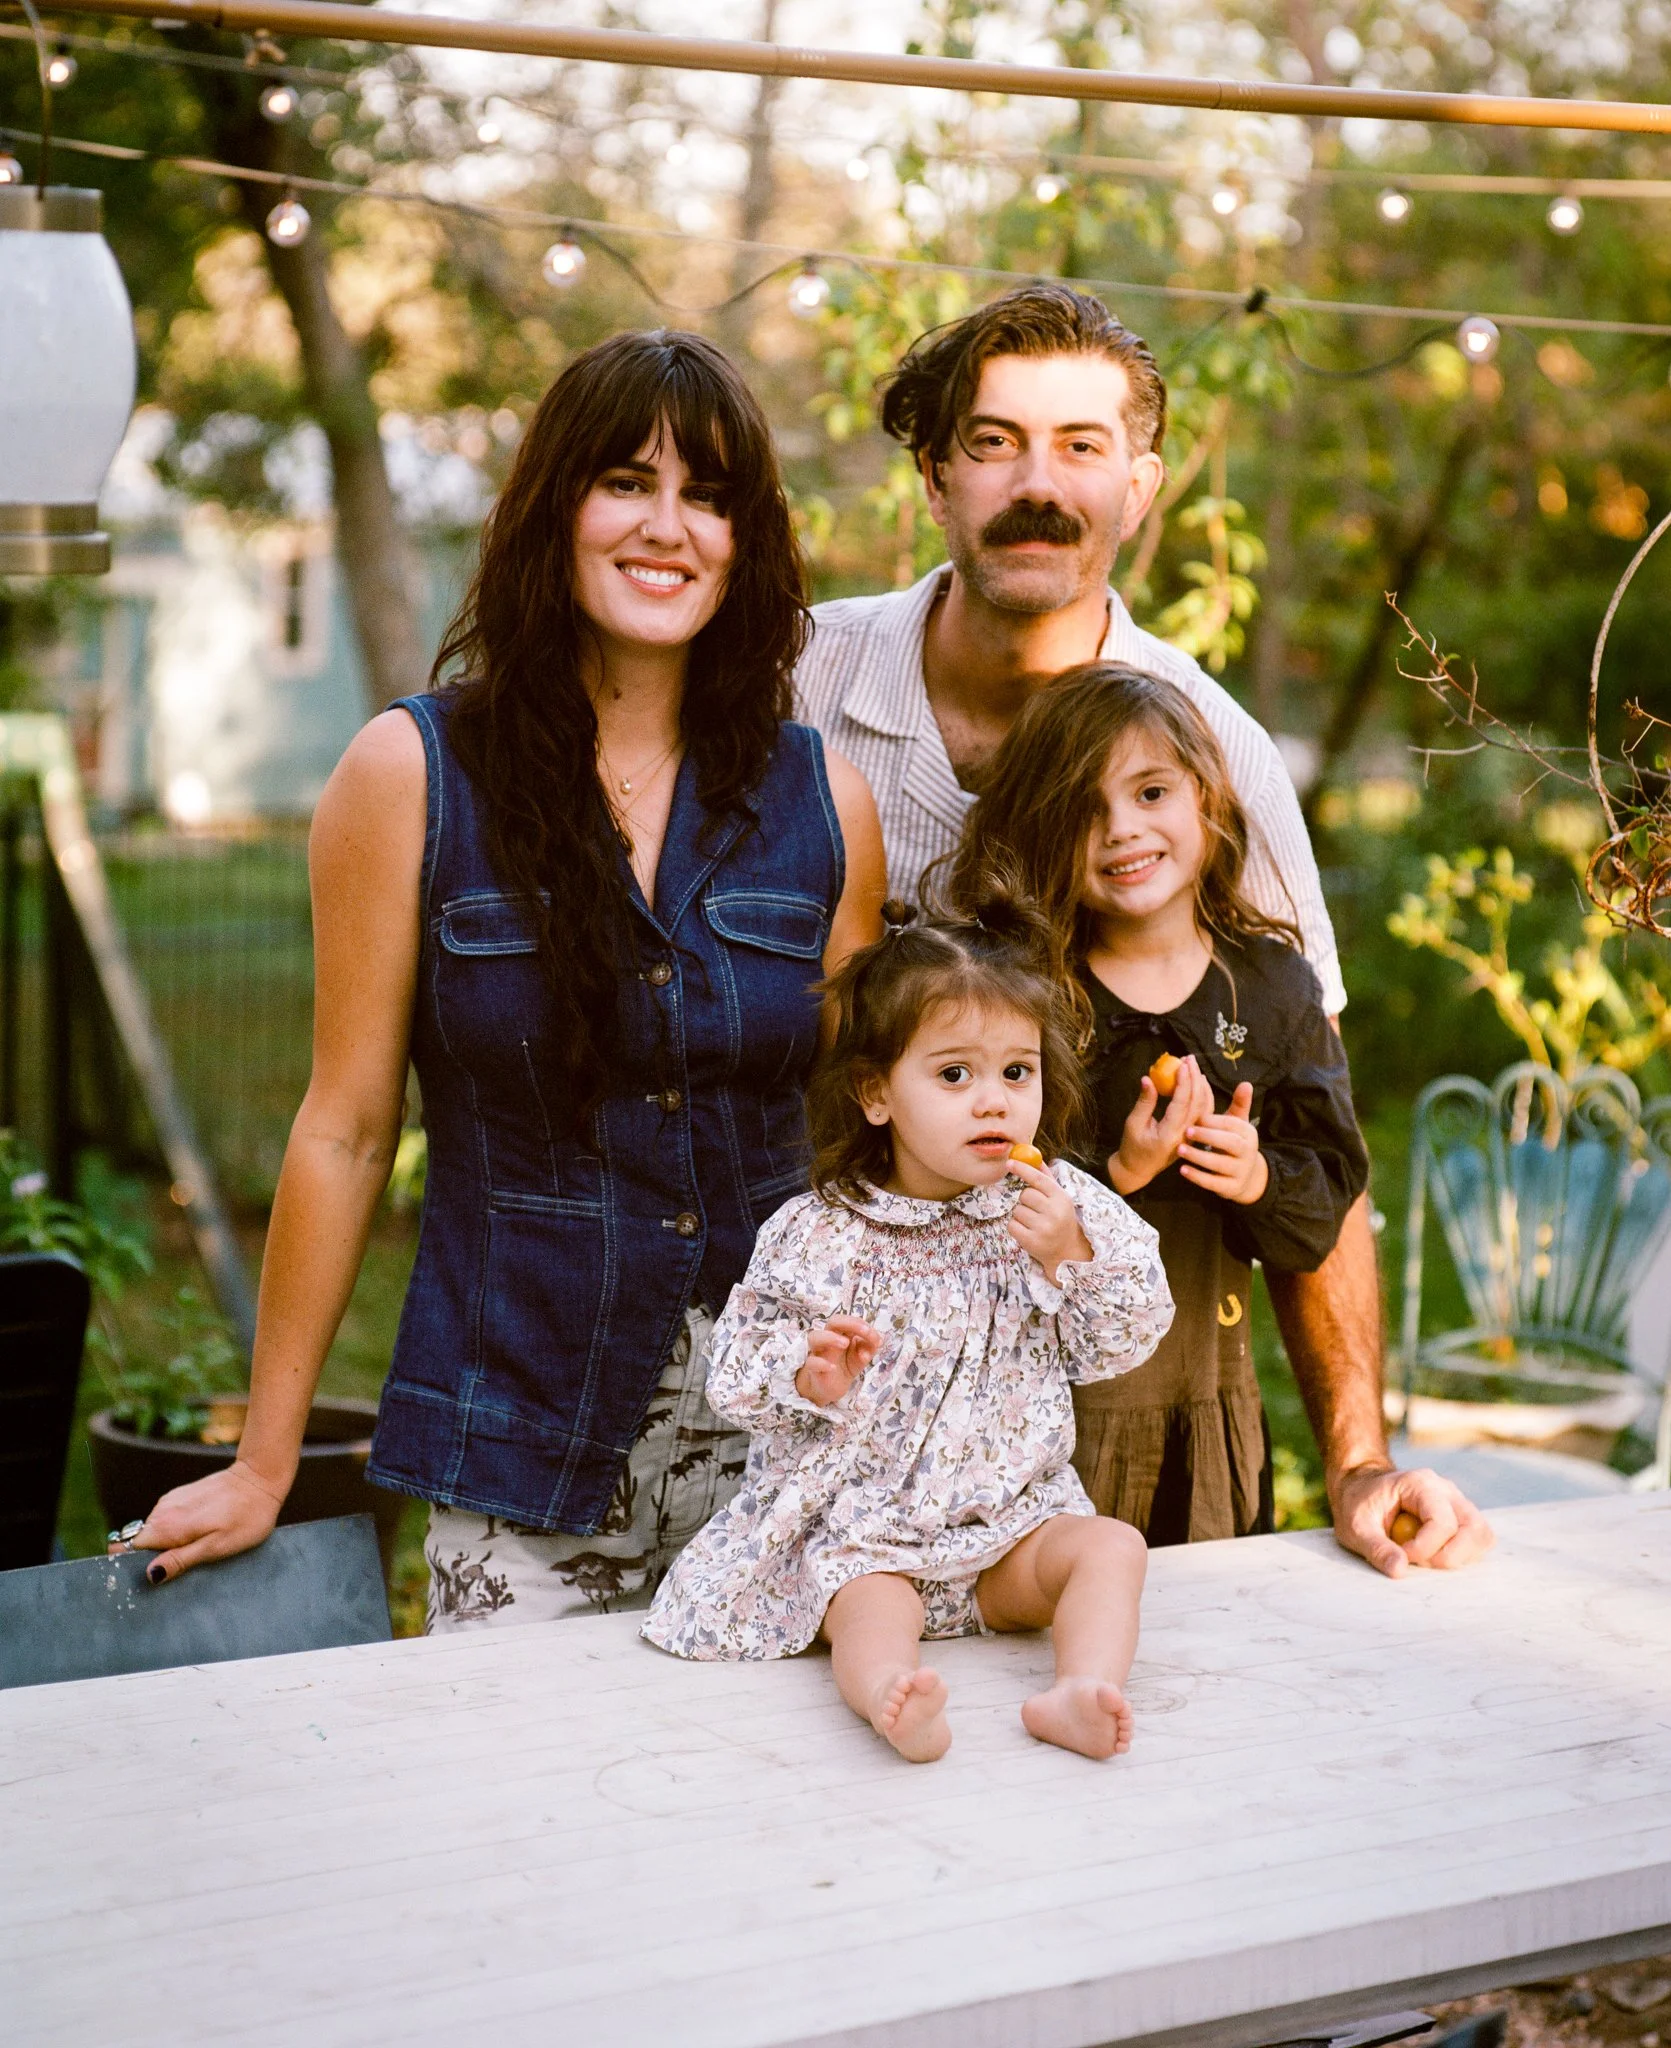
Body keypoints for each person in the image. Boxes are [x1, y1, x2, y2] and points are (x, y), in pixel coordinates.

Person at [124, 329, 886, 1621]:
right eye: (626, 483)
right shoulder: (410, 775)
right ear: (554, 508)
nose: (667, 527)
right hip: (522, 1440)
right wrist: (265, 1459)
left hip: (789, 1460)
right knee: (519, 1815)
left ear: (744, 539)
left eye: (707, 496)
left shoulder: (825, 801)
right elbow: (348, 1128)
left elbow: (860, 1140)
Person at [795, 280, 1491, 1576]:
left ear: (1140, 488)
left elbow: (1305, 1110)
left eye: (1079, 447)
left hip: (1118, 1400)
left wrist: (1352, 1458)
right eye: (994, 443)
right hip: (829, 1373)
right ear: (933, 478)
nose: (1036, 486)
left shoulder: (1213, 748)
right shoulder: (798, 691)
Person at [643, 893, 1173, 1763]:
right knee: (866, 1606)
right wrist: (809, 1377)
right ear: (875, 1093)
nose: (993, 1103)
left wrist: (1069, 1259)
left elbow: (1124, 1339)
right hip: (872, 1534)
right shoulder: (822, 1230)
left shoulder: (1057, 1207)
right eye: (954, 1075)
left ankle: (1081, 1687)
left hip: (1015, 1527)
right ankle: (893, 1697)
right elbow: (736, 1366)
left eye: (1017, 1072)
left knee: (1110, 1547)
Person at [950, 662, 1370, 1543]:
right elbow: (954, 1202)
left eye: (1150, 792)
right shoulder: (1018, 994)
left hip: (1202, 1405)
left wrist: (1254, 1179)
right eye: (1083, 810)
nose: (1120, 830)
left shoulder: (1270, 989)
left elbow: (1323, 1203)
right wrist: (1114, 1178)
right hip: (1043, 1420)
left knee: (1206, 1642)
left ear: (1207, 801)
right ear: (1038, 830)